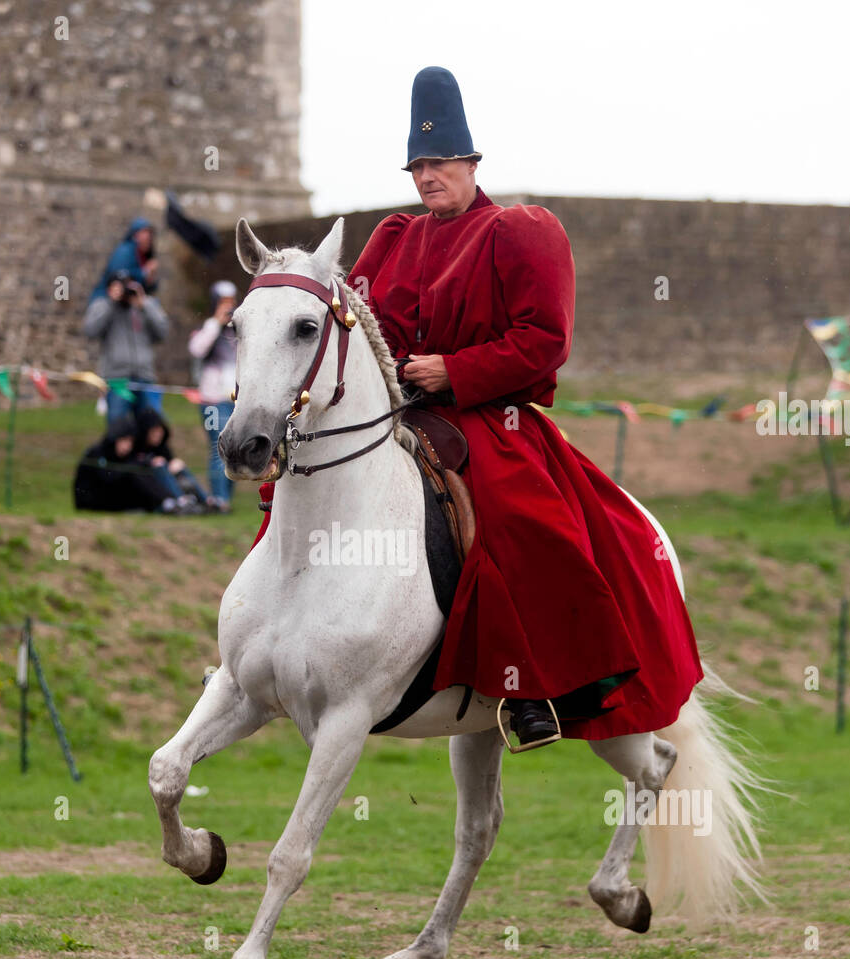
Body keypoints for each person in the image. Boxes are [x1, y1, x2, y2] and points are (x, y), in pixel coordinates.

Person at [256, 66, 703, 752]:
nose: (428, 175)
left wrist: (454, 370)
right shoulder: (394, 238)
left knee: (527, 522)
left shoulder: (519, 231)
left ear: (470, 161)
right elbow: (361, 328)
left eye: (440, 162)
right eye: (418, 165)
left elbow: (543, 342)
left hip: (490, 417)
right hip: (397, 415)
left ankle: (544, 687)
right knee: (299, 484)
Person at [83, 269, 169, 424]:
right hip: (116, 380)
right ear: (109, 288)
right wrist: (111, 303)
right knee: (119, 429)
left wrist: (144, 305)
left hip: (145, 377)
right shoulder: (102, 305)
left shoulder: (145, 305)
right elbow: (90, 331)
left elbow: (163, 333)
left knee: (151, 427)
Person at [189, 280, 238, 513]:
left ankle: (226, 498)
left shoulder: (239, 330)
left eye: (231, 302)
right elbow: (196, 350)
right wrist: (215, 324)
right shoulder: (208, 327)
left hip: (235, 400)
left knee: (234, 451)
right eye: (223, 303)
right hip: (212, 400)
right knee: (217, 448)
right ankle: (218, 499)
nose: (227, 307)